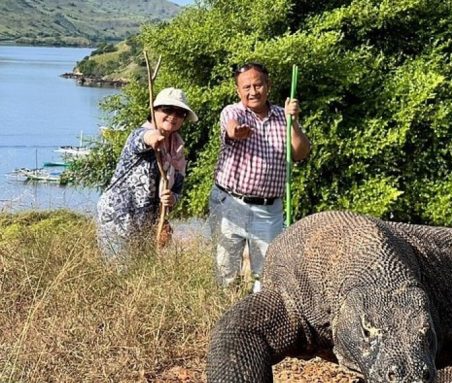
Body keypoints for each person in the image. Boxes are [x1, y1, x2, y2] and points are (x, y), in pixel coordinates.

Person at [209, 62, 311, 291]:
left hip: (269, 209)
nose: (253, 92)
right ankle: (222, 315)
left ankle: (258, 319)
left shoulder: (282, 117)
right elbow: (231, 127)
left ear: (268, 85)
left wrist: (293, 122)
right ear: (238, 90)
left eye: (258, 85)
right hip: (230, 203)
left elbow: (300, 153)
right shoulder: (233, 111)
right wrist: (237, 132)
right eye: (246, 87)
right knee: (225, 270)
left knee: (266, 275)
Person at [96, 87, 198, 261]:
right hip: (119, 217)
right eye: (167, 110)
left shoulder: (177, 149)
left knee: (140, 274)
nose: (173, 116)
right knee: (121, 273)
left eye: (180, 113)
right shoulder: (140, 133)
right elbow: (143, 138)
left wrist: (171, 199)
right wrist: (154, 138)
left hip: (146, 225)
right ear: (154, 111)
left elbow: (178, 189)